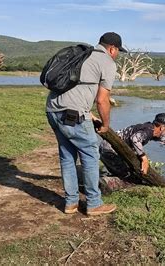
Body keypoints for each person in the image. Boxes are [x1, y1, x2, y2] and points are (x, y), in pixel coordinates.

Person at [46, 32, 126, 215]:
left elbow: (76, 89)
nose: (117, 54)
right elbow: (102, 100)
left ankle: (71, 203)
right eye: (118, 51)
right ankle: (94, 204)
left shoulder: (82, 54)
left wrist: (87, 112)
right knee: (90, 155)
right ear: (112, 49)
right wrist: (105, 125)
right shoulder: (107, 62)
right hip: (73, 115)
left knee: (67, 156)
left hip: (52, 110)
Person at [98, 113, 165, 180]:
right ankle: (106, 183)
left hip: (116, 150)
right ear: (162, 128)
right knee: (126, 174)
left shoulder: (152, 131)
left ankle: (109, 178)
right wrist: (144, 158)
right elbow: (135, 138)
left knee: (132, 171)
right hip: (108, 149)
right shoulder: (148, 131)